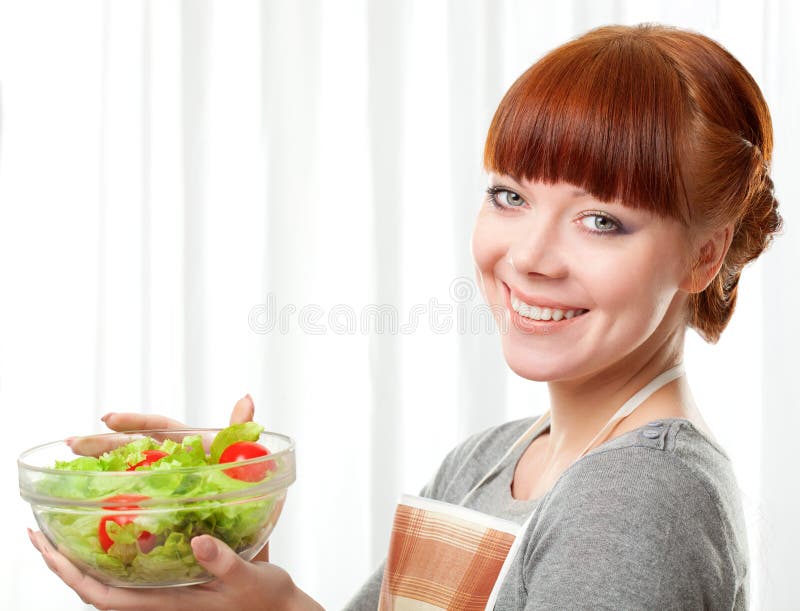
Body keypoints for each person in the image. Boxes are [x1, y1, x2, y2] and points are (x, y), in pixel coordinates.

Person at [28, 22, 781, 610]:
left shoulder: (642, 497)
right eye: (511, 195)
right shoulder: (488, 461)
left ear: (703, 257)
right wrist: (210, 512)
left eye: (601, 220)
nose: (530, 256)